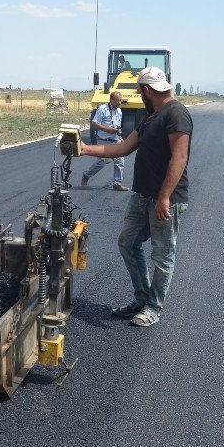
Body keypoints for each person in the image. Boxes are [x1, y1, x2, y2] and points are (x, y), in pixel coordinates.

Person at [79, 66, 192, 327]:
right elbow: (123, 147)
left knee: (163, 255)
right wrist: (86, 149)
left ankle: (153, 307)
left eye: (140, 91)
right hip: (141, 196)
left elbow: (180, 157)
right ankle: (141, 299)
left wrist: (164, 197)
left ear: (146, 90)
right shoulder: (151, 116)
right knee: (128, 243)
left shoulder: (176, 114)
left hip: (166, 199)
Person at [81, 91, 126, 190]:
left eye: (121, 100)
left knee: (120, 161)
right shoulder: (102, 109)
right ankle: (86, 175)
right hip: (103, 140)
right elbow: (95, 123)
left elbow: (117, 126)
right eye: (118, 100)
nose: (120, 102)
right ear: (111, 100)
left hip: (115, 141)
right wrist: (107, 129)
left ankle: (117, 184)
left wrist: (121, 137)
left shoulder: (119, 111)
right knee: (101, 162)